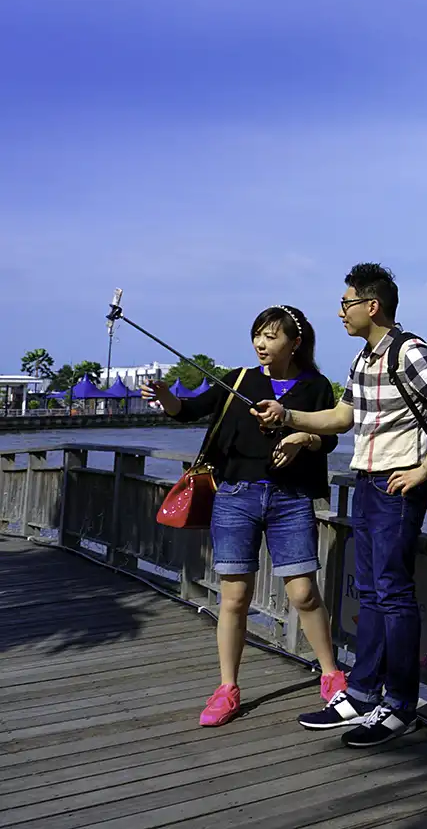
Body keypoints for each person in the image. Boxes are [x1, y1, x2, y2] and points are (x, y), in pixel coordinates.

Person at [254, 263, 427, 748]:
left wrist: (424, 470)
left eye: (346, 303)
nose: (340, 312)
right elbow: (342, 417)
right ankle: (362, 693)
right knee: (372, 590)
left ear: (372, 306)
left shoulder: (409, 350)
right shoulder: (362, 360)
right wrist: (286, 414)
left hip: (397, 488)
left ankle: (399, 705)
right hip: (368, 482)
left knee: (392, 593)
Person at [141, 305, 346, 727]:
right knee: (234, 598)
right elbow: (190, 409)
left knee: (303, 593)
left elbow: (328, 439)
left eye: (271, 336)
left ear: (296, 341)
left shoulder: (316, 386)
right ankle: (227, 688)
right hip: (234, 496)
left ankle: (331, 676)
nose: (261, 344)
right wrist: (166, 399)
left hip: (290, 500)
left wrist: (302, 437)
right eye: (258, 335)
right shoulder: (238, 380)